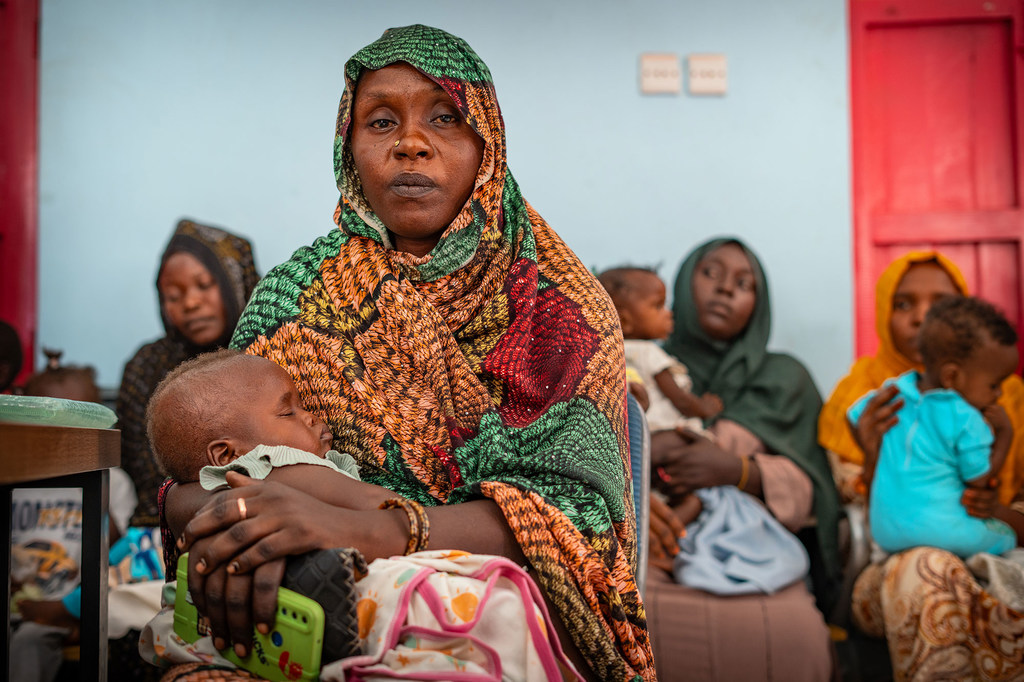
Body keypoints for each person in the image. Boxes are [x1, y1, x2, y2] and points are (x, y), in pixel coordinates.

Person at [159, 25, 654, 681]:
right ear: (349, 145)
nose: (410, 144)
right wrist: (241, 520)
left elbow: (574, 523)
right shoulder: (294, 298)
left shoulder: (560, 309)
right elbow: (205, 472)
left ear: (487, 143)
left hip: (492, 614)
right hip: (305, 614)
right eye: (381, 121)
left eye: (445, 118)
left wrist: (371, 530)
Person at [819, 251, 1024, 680]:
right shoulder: (865, 396)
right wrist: (875, 457)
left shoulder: (1008, 398)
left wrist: (998, 513)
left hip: (1003, 548)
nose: (921, 319)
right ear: (882, 314)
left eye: (940, 304)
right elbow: (846, 514)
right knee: (929, 568)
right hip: (891, 567)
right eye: (903, 304)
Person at [642, 237, 839, 682]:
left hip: (754, 553)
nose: (726, 289)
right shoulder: (639, 363)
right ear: (685, 279)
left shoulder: (785, 378)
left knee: (798, 637)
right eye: (711, 273)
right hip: (653, 540)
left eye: (744, 283)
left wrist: (738, 472)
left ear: (759, 301)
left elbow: (816, 490)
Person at [117, 218, 259, 529]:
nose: (191, 303)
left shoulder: (271, 353)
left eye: (204, 285)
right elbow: (146, 474)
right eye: (173, 295)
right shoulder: (146, 367)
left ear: (235, 281)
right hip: (163, 526)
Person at [850, 296, 1018, 557]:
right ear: (951, 376)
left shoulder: (894, 391)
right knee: (1007, 538)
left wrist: (874, 452)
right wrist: (1005, 435)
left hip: (887, 533)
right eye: (994, 385)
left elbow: (854, 417)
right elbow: (979, 481)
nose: (997, 395)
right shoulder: (965, 416)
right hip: (946, 534)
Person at [9, 351, 138, 682]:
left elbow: (119, 552)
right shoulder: (17, 477)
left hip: (71, 605)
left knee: (26, 645)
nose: (64, 438)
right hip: (18, 598)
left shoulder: (115, 481)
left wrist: (98, 482)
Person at [147, 349, 363, 491]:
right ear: (227, 455)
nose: (311, 418)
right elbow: (385, 507)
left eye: (303, 406)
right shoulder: (293, 477)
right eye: (288, 412)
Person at [597, 266, 722, 434]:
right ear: (624, 321)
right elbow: (681, 400)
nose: (668, 313)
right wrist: (705, 408)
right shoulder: (648, 352)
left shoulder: (607, 353)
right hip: (662, 429)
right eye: (658, 306)